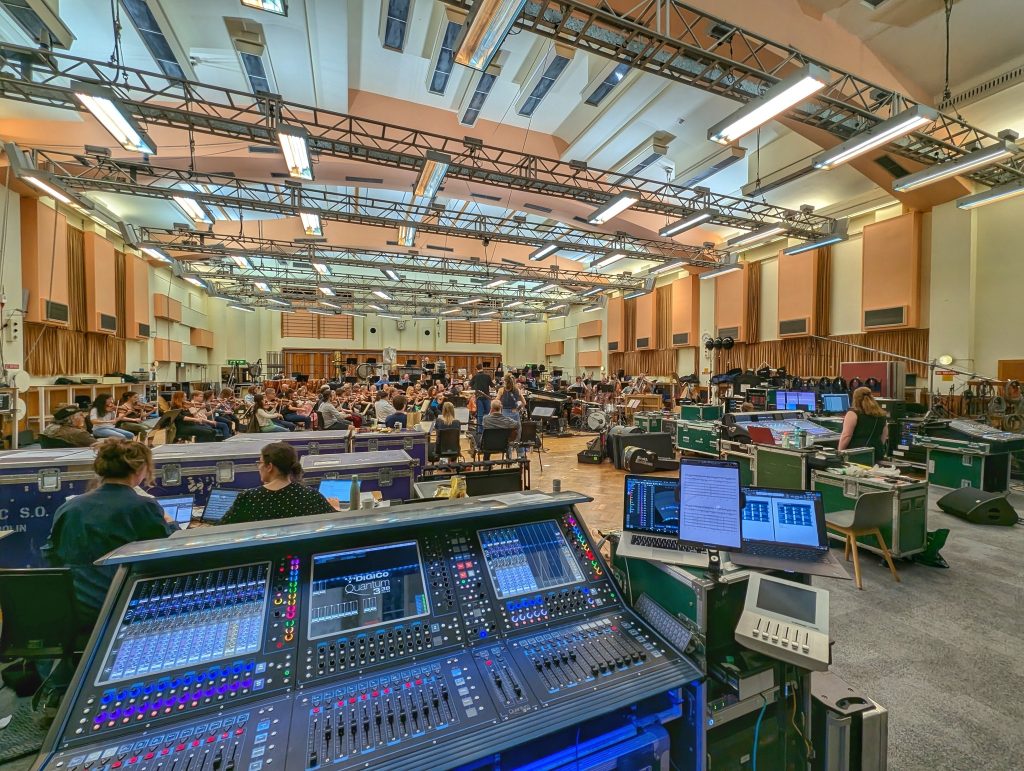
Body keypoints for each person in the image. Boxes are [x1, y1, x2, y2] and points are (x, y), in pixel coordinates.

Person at [43, 440, 175, 627]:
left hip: (75, 609)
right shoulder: (143, 506)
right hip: (122, 606)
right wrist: (171, 522)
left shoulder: (69, 507)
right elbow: (165, 556)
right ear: (140, 470)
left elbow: (51, 554)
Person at [218, 442, 334, 525]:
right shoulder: (310, 495)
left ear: (269, 467)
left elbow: (220, 530)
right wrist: (336, 508)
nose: (259, 466)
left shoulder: (249, 497)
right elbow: (334, 522)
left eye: (260, 462)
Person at [839, 386, 889, 462]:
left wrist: (839, 452)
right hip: (877, 454)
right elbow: (884, 436)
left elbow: (846, 435)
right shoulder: (881, 415)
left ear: (855, 399)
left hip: (857, 454)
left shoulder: (852, 414)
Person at [469, 363, 493, 441]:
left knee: (480, 414)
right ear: (482, 368)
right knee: (487, 413)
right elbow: (492, 385)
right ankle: (487, 428)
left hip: (479, 397)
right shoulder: (487, 376)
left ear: (476, 368)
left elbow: (470, 385)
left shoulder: (475, 376)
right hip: (486, 397)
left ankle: (480, 430)